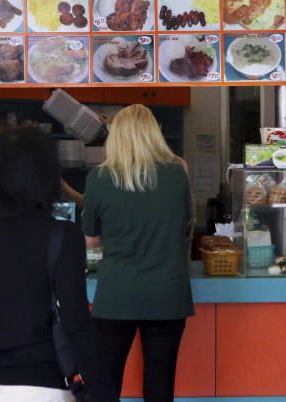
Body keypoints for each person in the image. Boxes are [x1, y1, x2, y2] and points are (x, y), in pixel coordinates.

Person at [0, 126, 116, 402]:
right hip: (43, 384)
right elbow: (76, 324)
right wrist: (105, 393)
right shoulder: (64, 236)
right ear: (50, 175)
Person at [82, 104, 193, 402]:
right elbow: (183, 224)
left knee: (104, 385)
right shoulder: (178, 171)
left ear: (116, 136)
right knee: (160, 387)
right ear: (154, 133)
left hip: (116, 295)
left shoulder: (99, 177)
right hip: (168, 294)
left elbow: (91, 242)